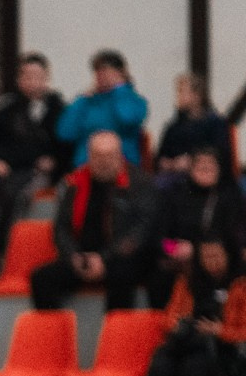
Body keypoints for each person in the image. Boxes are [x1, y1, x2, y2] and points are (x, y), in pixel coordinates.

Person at [0, 52, 66, 275]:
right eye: (28, 76)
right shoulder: (4, 106)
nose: (34, 81)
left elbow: (66, 147)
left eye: (39, 76)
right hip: (2, 166)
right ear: (19, 79)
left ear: (47, 78)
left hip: (34, 171)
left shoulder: (60, 108)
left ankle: (0, 256)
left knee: (13, 196)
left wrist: (54, 162)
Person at [31, 128, 159, 312]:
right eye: (98, 156)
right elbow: (61, 229)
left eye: (109, 156)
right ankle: (56, 335)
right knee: (41, 279)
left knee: (122, 275)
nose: (104, 162)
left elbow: (140, 231)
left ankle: (115, 336)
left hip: (121, 257)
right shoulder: (74, 183)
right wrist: (73, 256)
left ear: (119, 155)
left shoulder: (140, 183)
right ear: (89, 155)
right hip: (81, 256)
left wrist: (104, 258)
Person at [146, 236, 246, 376]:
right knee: (160, 367)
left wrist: (219, 330)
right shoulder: (187, 281)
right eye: (206, 257)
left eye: (216, 256)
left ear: (228, 255)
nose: (211, 261)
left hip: (221, 347)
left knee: (194, 368)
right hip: (187, 342)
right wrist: (179, 324)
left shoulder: (245, 285)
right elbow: (168, 317)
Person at [150, 145, 245, 306]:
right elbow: (159, 233)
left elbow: (234, 234)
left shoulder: (230, 196)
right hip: (179, 257)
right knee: (159, 273)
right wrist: (174, 249)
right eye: (200, 165)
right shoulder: (176, 195)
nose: (205, 169)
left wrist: (197, 248)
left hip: (217, 256)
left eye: (210, 165)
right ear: (191, 169)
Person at [55, 49, 148, 168]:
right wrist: (81, 101)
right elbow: (65, 133)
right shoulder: (87, 102)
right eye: (98, 71)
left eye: (106, 71)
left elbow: (128, 119)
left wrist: (120, 90)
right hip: (86, 167)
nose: (101, 76)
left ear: (120, 73)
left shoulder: (134, 101)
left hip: (121, 167)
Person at [154, 72, 231, 179]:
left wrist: (192, 161)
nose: (178, 97)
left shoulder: (215, 124)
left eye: (182, 92)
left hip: (205, 177)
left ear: (196, 96)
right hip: (174, 178)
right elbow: (160, 156)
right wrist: (169, 163)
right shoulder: (173, 127)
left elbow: (221, 155)